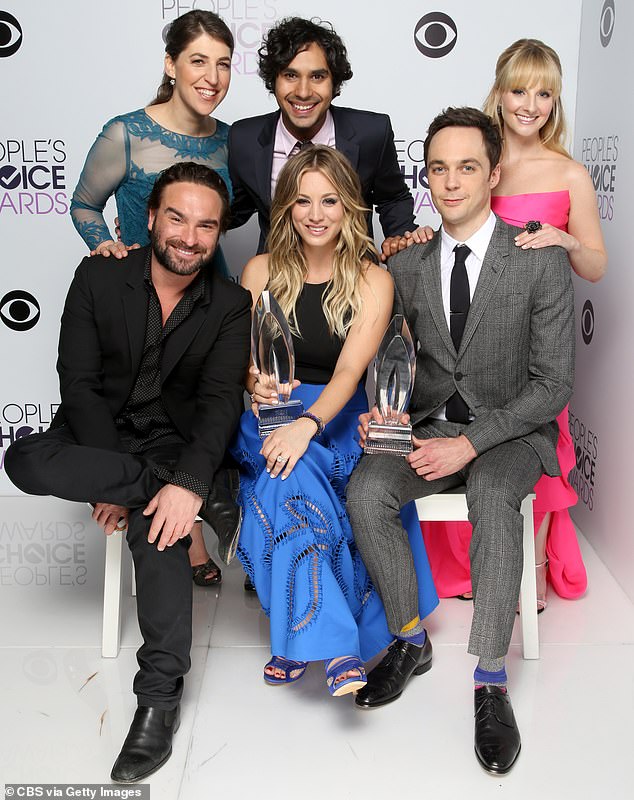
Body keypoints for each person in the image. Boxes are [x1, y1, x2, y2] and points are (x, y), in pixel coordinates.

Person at [5, 163, 251, 782]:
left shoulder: (230, 303)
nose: (189, 237)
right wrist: (117, 478)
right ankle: (167, 493)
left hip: (175, 443)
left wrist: (184, 478)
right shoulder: (100, 274)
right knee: (23, 458)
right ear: (149, 217)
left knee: (161, 531)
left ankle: (157, 701)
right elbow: (79, 384)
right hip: (100, 436)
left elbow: (222, 403)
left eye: (205, 226)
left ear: (218, 234)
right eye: (177, 218)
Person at [347, 108, 575, 774]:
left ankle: (489, 677)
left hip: (509, 432)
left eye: (467, 167)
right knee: (365, 490)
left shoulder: (537, 259)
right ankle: (409, 640)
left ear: (493, 173)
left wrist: (470, 444)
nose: (450, 182)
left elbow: (553, 385)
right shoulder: (409, 263)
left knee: (496, 496)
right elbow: (387, 354)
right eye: (438, 168)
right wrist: (378, 414)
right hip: (426, 428)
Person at [231, 145, 438, 696]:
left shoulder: (374, 279)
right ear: (286, 207)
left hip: (337, 416)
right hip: (271, 414)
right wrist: (259, 386)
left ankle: (301, 640)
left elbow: (349, 373)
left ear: (349, 206)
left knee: (291, 476)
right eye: (302, 201)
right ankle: (339, 646)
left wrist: (308, 426)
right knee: (286, 464)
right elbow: (247, 364)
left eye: (329, 201)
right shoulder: (260, 271)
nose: (316, 214)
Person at [421, 39, 606, 611]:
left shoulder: (569, 173)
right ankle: (469, 566)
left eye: (544, 93)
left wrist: (565, 239)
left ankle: (534, 566)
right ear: (499, 92)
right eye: (519, 90)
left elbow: (595, 266)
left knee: (545, 448)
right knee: (465, 439)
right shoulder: (477, 162)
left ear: (556, 101)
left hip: (538, 336)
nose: (530, 104)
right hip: (472, 336)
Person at [70, 10, 237, 587]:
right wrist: (108, 248)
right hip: (135, 300)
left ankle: (190, 508)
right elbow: (84, 204)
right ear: (170, 65)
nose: (212, 77)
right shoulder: (127, 131)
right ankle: (182, 526)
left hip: (203, 301)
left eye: (223, 64)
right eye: (198, 61)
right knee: (141, 403)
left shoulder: (229, 140)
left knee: (199, 407)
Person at [228, 16, 430, 259]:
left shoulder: (372, 132)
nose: (303, 92)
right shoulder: (244, 138)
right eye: (290, 75)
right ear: (274, 79)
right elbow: (235, 209)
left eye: (317, 77)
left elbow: (393, 197)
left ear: (334, 82)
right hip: (278, 277)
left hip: (355, 278)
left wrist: (401, 238)